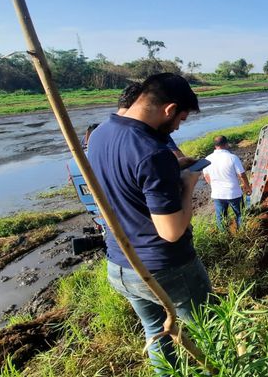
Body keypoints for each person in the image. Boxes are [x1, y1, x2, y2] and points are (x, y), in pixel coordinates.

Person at [87, 73, 210, 374]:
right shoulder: (154, 154)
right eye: (180, 118)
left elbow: (126, 180)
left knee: (156, 332)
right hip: (168, 270)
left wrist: (170, 169)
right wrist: (188, 182)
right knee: (212, 330)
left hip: (121, 265)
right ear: (169, 110)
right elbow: (171, 231)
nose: (178, 126)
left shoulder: (101, 133)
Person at [203, 135, 251, 231]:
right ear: (226, 144)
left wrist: (214, 186)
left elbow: (206, 177)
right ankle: (242, 234)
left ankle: (224, 237)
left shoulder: (207, 159)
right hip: (234, 193)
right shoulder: (232, 157)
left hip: (217, 194)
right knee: (240, 214)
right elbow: (242, 174)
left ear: (215, 146)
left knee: (221, 218)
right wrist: (247, 187)